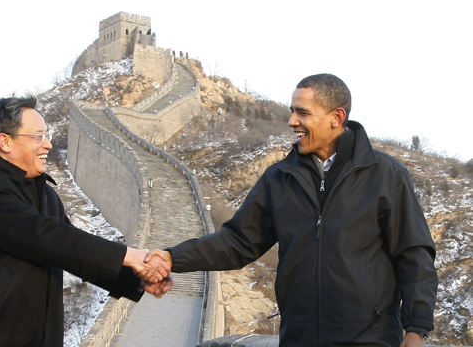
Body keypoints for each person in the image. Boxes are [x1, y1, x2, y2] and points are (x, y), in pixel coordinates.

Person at [146, 74, 438, 346]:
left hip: (369, 338)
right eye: (292, 111)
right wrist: (173, 258)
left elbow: (413, 254)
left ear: (337, 117)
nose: (292, 121)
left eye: (303, 113)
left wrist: (416, 330)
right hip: (298, 337)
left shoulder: (385, 175)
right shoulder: (280, 177)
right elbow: (237, 243)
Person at [0, 95, 172, 347]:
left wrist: (135, 278)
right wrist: (128, 255)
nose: (48, 145)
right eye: (37, 137)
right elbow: (44, 237)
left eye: (47, 135)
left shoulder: (45, 193)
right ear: (5, 141)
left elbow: (72, 252)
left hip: (39, 334)